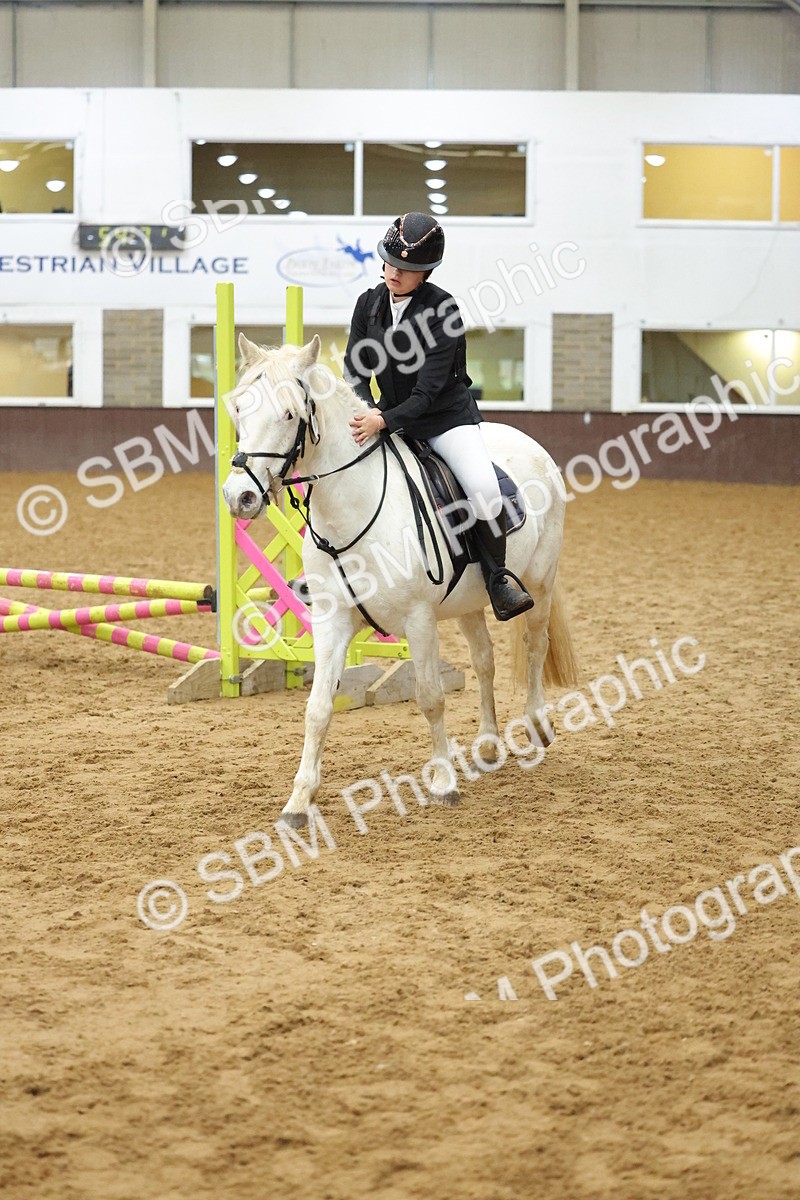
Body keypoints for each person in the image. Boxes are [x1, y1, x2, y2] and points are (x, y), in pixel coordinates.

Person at [343, 211, 533, 622]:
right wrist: (366, 407)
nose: (393, 273)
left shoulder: (442, 311)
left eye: (406, 268)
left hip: (443, 419)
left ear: (425, 272)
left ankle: (498, 577)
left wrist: (384, 420)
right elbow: (355, 369)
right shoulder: (368, 304)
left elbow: (427, 393)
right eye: (390, 262)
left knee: (482, 487)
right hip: (387, 416)